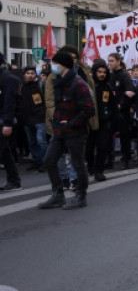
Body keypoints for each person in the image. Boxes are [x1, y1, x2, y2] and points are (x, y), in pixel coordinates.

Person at [37, 51, 95, 209]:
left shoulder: (78, 83)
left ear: (62, 65)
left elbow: (89, 110)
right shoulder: (60, 82)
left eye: (54, 63)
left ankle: (81, 196)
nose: (52, 66)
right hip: (60, 131)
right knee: (49, 160)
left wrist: (70, 123)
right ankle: (58, 195)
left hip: (75, 132)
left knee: (78, 164)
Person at [87, 60, 116, 182]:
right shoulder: (89, 86)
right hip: (90, 121)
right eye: (99, 72)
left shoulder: (108, 86)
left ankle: (99, 171)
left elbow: (111, 104)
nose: (102, 74)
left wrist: (110, 118)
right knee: (88, 148)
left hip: (104, 122)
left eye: (104, 72)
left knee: (102, 147)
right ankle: (90, 167)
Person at [107, 53, 136, 169]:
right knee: (108, 136)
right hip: (110, 111)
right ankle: (109, 159)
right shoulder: (109, 75)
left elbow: (130, 92)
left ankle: (126, 159)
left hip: (122, 112)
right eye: (109, 61)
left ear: (118, 61)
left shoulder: (124, 76)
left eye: (112, 61)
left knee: (125, 136)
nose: (110, 63)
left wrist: (121, 105)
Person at [17, 66, 47, 173]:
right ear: (24, 74)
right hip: (27, 119)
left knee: (41, 141)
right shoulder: (21, 87)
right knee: (32, 142)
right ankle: (37, 161)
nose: (30, 75)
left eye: (32, 73)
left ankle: (45, 162)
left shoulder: (40, 85)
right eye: (28, 73)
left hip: (40, 119)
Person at [0, 53, 22, 191]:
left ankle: (14, 181)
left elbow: (9, 103)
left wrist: (7, 123)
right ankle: (14, 180)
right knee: (4, 152)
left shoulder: (9, 80)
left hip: (3, 121)